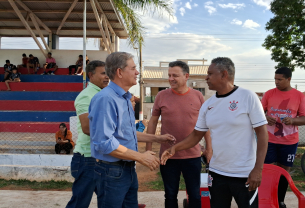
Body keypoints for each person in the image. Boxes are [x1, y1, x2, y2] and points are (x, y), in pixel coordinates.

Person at [161, 57, 269, 208]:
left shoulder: (248, 97)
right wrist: (174, 148)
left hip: (244, 174)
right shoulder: (208, 105)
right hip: (217, 174)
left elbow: (263, 134)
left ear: (224, 74)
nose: (206, 78)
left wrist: (258, 169)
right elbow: (196, 135)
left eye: (210, 74)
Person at [89, 52, 176, 208]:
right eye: (133, 68)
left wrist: (157, 138)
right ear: (119, 72)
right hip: (111, 171)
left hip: (126, 169)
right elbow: (104, 143)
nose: (137, 72)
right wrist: (140, 157)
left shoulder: (124, 98)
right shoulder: (106, 99)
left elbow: (126, 134)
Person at [146, 60, 212, 208]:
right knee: (170, 194)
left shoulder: (198, 96)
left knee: (195, 195)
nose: (170, 79)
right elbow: (152, 122)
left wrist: (209, 148)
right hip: (168, 156)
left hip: (193, 156)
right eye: (169, 75)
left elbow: (205, 125)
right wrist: (149, 149)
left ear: (186, 76)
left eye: (175, 75)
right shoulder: (161, 96)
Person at [261, 67, 305, 208]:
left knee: (283, 171)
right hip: (269, 139)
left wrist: (292, 121)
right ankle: (266, 200)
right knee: (267, 170)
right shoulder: (269, 94)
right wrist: (265, 117)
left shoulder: (299, 96)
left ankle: (280, 201)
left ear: (289, 79)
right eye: (275, 79)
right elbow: (257, 113)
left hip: (289, 141)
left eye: (280, 79)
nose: (276, 82)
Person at [66, 61, 109, 208]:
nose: (107, 76)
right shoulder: (86, 96)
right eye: (103, 73)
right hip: (87, 159)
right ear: (90, 75)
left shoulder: (102, 94)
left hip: (100, 157)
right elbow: (87, 128)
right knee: (79, 203)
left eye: (107, 73)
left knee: (108, 201)